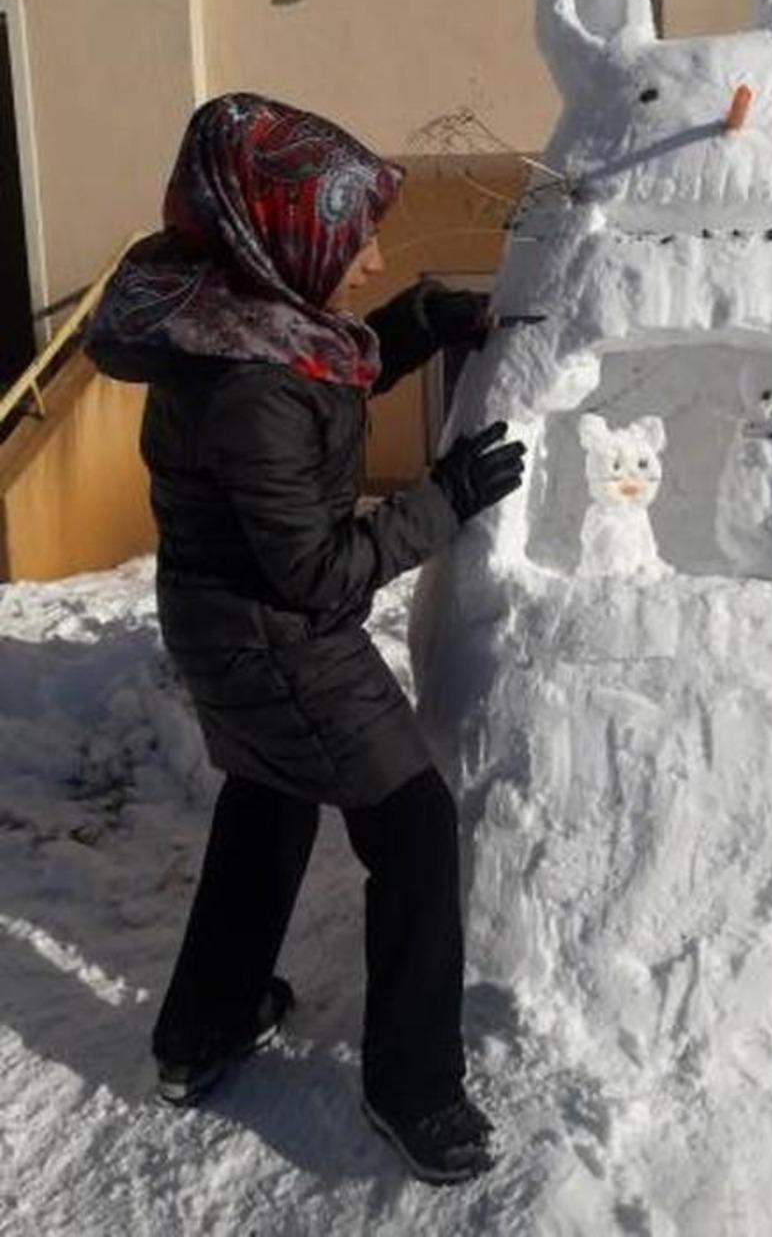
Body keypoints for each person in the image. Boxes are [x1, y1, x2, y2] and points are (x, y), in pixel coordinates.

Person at [86, 92, 526, 1185]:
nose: (372, 259)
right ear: (284, 238)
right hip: (276, 639)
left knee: (269, 803)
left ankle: (203, 1030)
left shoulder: (238, 316)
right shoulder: (249, 386)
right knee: (414, 830)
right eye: (356, 238)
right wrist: (444, 499)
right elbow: (320, 569)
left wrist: (418, 324)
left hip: (228, 624)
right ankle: (415, 1089)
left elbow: (322, 376)